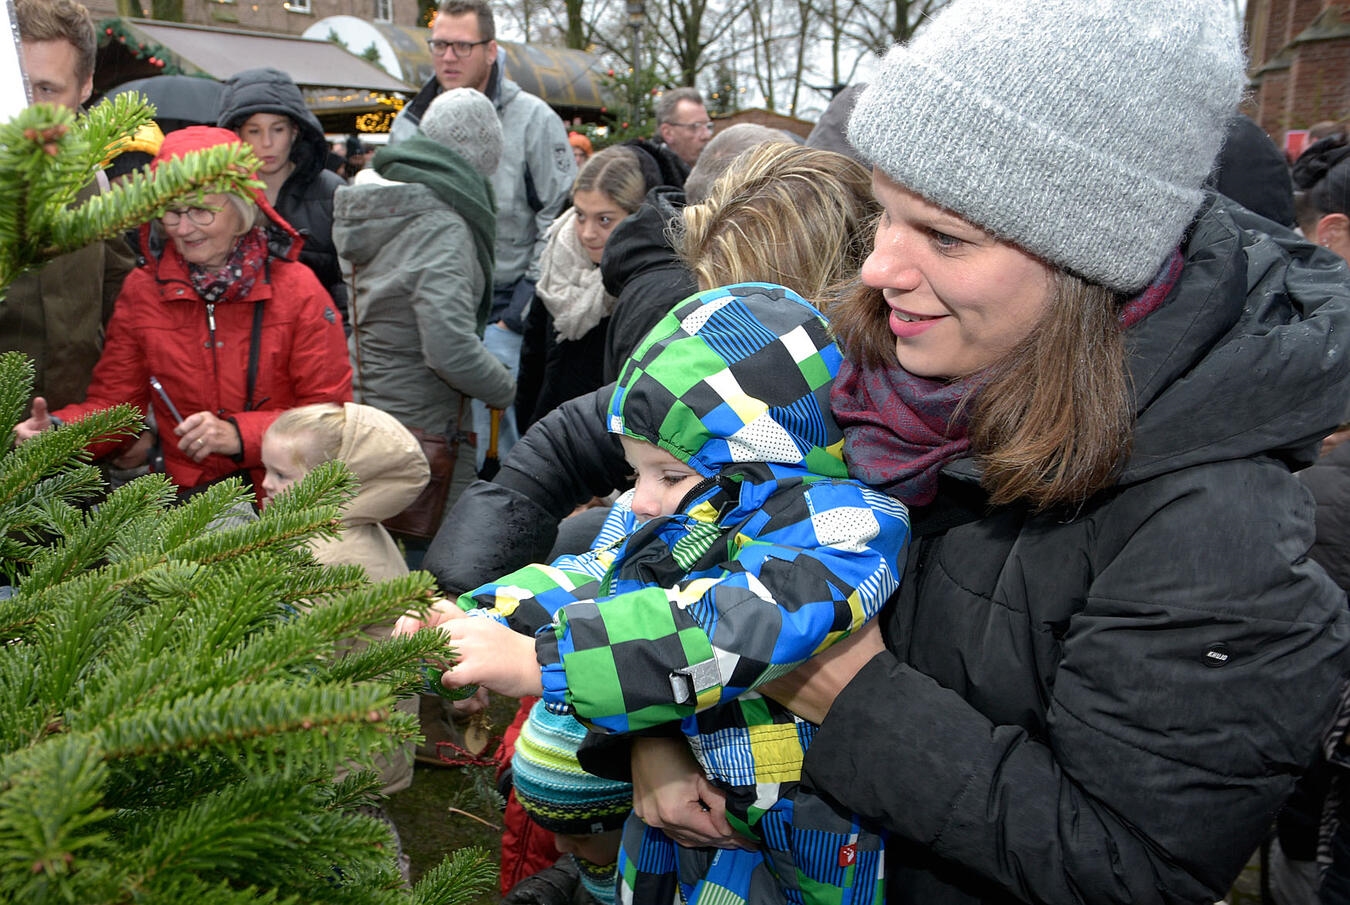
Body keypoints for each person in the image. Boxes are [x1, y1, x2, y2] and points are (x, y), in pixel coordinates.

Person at [421, 1, 1350, 902]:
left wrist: (847, 691)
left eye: (946, 235)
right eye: (882, 213)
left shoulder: (1216, 530)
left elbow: (1130, 864)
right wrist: (651, 734)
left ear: (1089, 255)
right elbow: (636, 470)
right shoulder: (873, 354)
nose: (876, 269)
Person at [405, 283, 911, 905]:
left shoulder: (845, 528)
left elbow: (725, 629)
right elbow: (601, 578)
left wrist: (543, 660)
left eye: (669, 475)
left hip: (808, 838)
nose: (641, 500)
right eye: (634, 472)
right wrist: (483, 617)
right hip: (692, 819)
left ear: (765, 458)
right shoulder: (692, 519)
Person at [13, 126, 352, 500]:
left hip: (284, 502)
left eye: (201, 211)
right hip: (188, 505)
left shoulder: (298, 290)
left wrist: (239, 435)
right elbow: (117, 405)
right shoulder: (144, 290)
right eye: (171, 213)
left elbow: (329, 417)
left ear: (242, 206)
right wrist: (60, 433)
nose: (184, 228)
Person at [389, 0, 576, 471]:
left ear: (491, 51)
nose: (448, 57)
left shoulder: (534, 120)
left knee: (497, 436)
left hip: (502, 308)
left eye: (461, 46)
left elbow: (559, 218)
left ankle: (506, 505)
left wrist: (516, 314)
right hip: (424, 305)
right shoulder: (408, 123)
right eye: (439, 45)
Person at [260, 400, 430, 885]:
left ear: (336, 483)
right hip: (350, 734)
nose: (266, 484)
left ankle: (387, 888)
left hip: (340, 743)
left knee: (350, 843)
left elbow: (293, 655)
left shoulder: (329, 558)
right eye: (265, 469)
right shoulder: (342, 530)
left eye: (281, 475)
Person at [2, 0, 136, 410]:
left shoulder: (93, 179)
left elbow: (120, 301)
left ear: (85, 86)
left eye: (46, 90)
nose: (29, 107)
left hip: (73, 428)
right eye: (17, 85)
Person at [517, 146, 648, 430]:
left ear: (635, 216)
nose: (587, 233)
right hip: (547, 427)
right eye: (579, 215)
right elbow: (532, 359)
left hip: (605, 436)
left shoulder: (647, 284)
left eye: (604, 220)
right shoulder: (558, 259)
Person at [217, 67, 350, 325]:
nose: (267, 143)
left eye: (277, 129)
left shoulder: (332, 192)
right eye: (254, 131)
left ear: (295, 131)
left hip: (318, 335)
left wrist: (338, 337)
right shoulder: (219, 195)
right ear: (237, 135)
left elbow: (348, 283)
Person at [653, 87, 713, 172]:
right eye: (695, 126)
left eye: (708, 126)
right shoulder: (651, 173)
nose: (706, 135)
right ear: (668, 133)